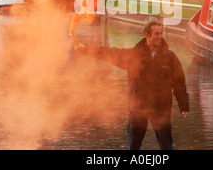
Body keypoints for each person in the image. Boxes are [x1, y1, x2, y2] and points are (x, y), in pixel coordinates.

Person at [76, 20, 189, 150]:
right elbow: (110, 53)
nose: (160, 37)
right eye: (156, 34)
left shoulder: (170, 57)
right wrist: (87, 50)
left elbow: (179, 82)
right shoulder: (133, 55)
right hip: (138, 108)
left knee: (166, 146)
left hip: (161, 108)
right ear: (147, 34)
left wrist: (183, 105)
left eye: (161, 33)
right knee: (134, 146)